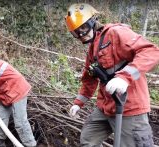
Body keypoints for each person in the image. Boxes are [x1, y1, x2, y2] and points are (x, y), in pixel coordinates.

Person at [65, 3, 159, 147]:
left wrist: (124, 78)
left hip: (129, 107)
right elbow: (89, 80)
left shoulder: (116, 33)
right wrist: (78, 103)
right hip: (106, 107)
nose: (81, 34)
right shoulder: (92, 48)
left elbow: (151, 52)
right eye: (76, 32)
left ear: (92, 21)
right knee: (88, 139)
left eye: (82, 28)